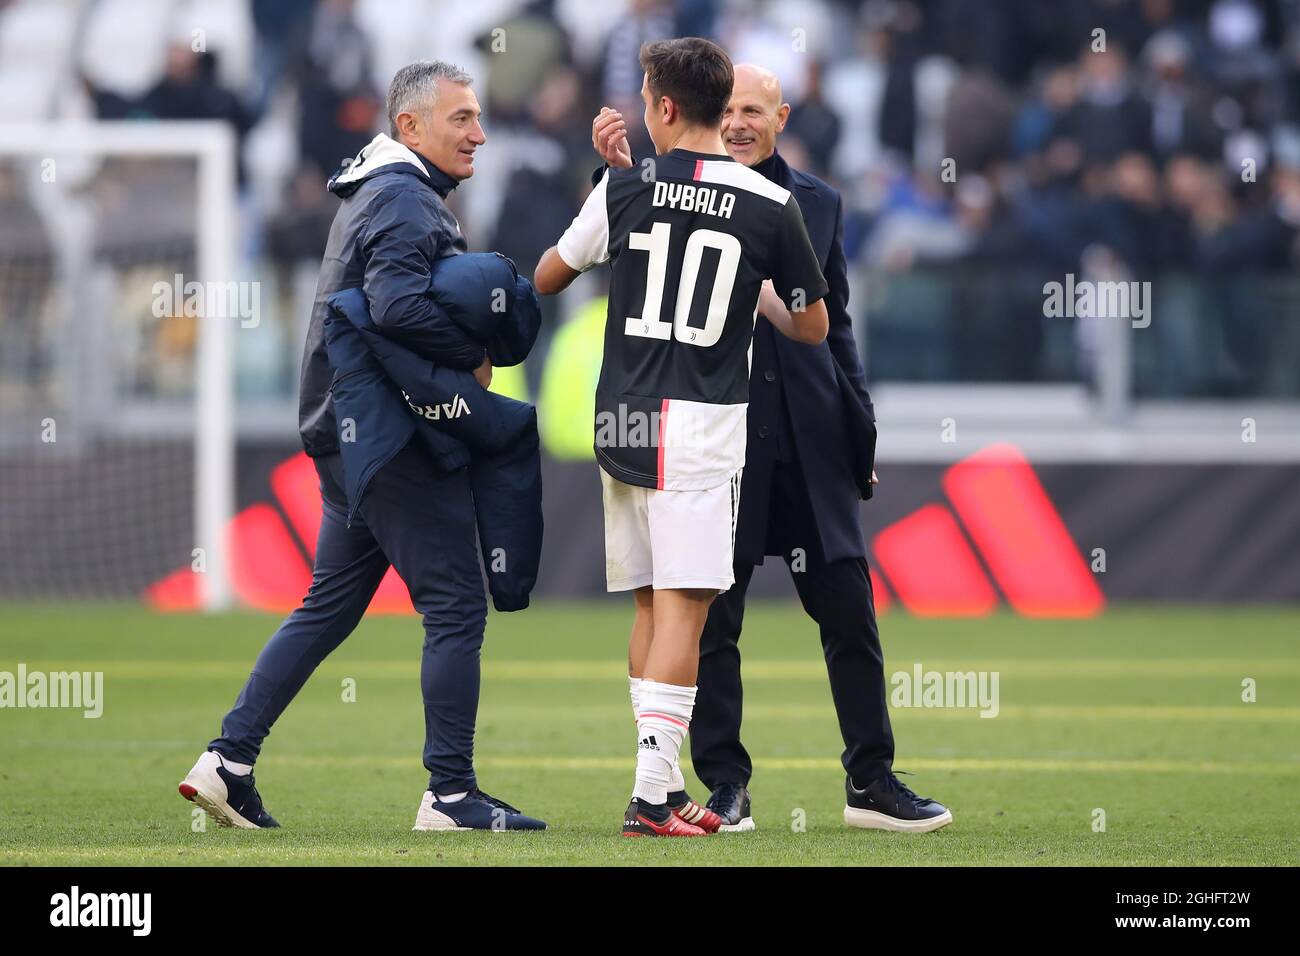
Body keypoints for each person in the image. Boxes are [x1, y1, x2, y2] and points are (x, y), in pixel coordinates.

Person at [178, 61, 546, 832]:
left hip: (352, 433)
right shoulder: (407, 198)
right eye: (462, 119)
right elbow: (397, 305)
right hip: (388, 434)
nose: (479, 132)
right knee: (454, 605)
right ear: (410, 127)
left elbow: (382, 306)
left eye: (479, 117)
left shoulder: (384, 189)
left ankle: (227, 761)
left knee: (328, 606)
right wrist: (473, 360)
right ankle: (449, 794)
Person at [592, 62, 952, 833]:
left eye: (753, 109)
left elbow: (838, 326)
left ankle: (871, 781)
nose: (738, 123)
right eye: (726, 110)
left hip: (811, 438)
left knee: (850, 609)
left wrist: (859, 432)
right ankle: (726, 784)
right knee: (713, 619)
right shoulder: (676, 190)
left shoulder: (819, 202)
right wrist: (615, 172)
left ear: (782, 116)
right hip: (720, 437)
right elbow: (628, 239)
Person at [534, 38, 829, 837]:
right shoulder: (769, 204)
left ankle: (658, 787)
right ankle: (652, 795)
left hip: (623, 420)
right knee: (685, 615)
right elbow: (812, 323)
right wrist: (751, 286)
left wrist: (626, 185)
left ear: (662, 107)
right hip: (698, 426)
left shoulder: (624, 187)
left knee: (648, 607)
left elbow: (549, 275)